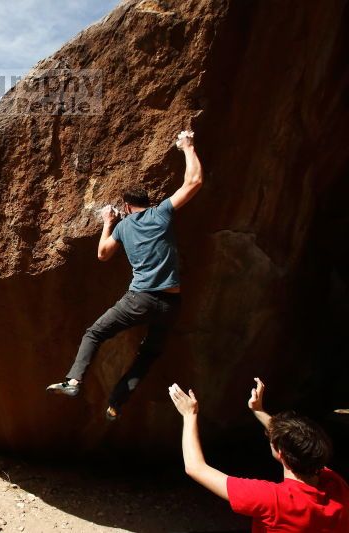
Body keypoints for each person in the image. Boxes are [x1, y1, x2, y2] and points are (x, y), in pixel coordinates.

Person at [46, 130, 202, 420]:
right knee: (149, 354)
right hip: (170, 304)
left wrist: (108, 222)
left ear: (127, 207)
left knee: (95, 333)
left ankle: (74, 381)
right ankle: (116, 402)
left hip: (139, 299)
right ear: (147, 201)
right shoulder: (161, 213)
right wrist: (187, 147)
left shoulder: (123, 226)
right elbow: (193, 181)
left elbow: (103, 254)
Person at [169, 379, 349, 532]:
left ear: (280, 455)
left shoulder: (274, 500)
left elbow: (195, 468)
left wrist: (189, 414)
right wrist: (258, 410)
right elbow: (296, 443)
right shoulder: (336, 485)